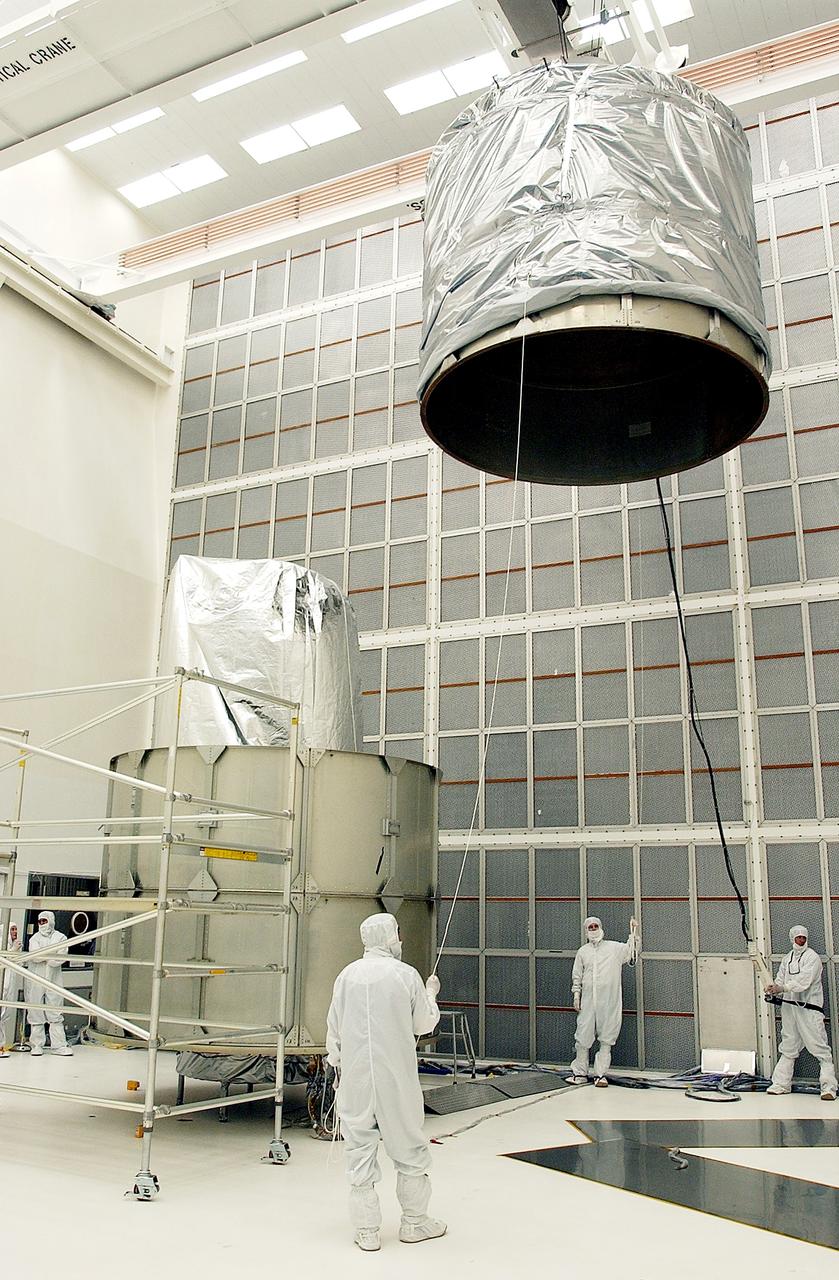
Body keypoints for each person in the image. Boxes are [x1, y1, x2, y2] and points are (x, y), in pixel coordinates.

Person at [326, 912, 445, 1252]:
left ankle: (366, 1231)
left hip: (355, 1079)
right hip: (396, 1078)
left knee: (359, 1149)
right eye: (398, 933)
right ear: (391, 936)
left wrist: (336, 1065)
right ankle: (415, 1223)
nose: (400, 939)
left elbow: (333, 1029)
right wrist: (431, 993)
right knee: (409, 1148)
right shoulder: (405, 975)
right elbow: (422, 1024)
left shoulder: (346, 976)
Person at [765, 925, 837, 1102]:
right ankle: (781, 1084)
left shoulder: (812, 957)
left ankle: (829, 1087)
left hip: (809, 1009)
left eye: (803, 937)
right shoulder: (787, 959)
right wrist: (775, 989)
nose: (801, 940)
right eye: (798, 937)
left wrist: (784, 987)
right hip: (790, 1008)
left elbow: (804, 980)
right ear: (792, 938)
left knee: (819, 1046)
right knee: (789, 1046)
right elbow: (781, 979)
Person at [571, 915, 639, 1087]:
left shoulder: (613, 948)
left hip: (608, 1000)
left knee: (607, 1037)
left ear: (601, 927)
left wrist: (633, 933)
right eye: (590, 927)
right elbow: (577, 975)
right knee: (583, 1035)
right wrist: (576, 995)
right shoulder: (583, 952)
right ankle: (580, 1073)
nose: (593, 929)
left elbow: (630, 953)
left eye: (596, 926)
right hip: (588, 1001)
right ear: (586, 931)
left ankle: (600, 1074)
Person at [26, 911, 73, 1057]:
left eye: (44, 921)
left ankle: (58, 1045)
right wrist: (48, 955)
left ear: (51, 921)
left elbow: (58, 959)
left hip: (54, 980)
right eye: (40, 922)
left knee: (55, 1012)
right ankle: (36, 1045)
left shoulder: (61, 937)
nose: (42, 924)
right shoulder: (35, 938)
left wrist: (45, 956)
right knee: (36, 1012)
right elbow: (35, 956)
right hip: (36, 980)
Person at [0, 922, 22, 1057]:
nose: (15, 932)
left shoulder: (15, 946)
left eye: (16, 929)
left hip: (9, 987)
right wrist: (12, 951)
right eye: (12, 929)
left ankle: (1, 1046)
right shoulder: (2, 945)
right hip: (2, 986)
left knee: (3, 1018)